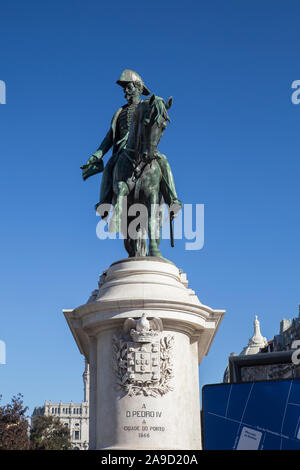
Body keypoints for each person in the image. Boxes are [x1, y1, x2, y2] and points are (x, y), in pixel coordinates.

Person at [81, 69, 181, 211]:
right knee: (110, 166)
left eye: (128, 88)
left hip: (145, 148)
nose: (125, 92)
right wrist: (97, 155)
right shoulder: (120, 112)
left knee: (163, 161)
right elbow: (110, 137)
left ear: (138, 88)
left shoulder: (146, 107)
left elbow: (155, 127)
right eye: (125, 89)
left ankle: (173, 200)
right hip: (124, 150)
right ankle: (104, 202)